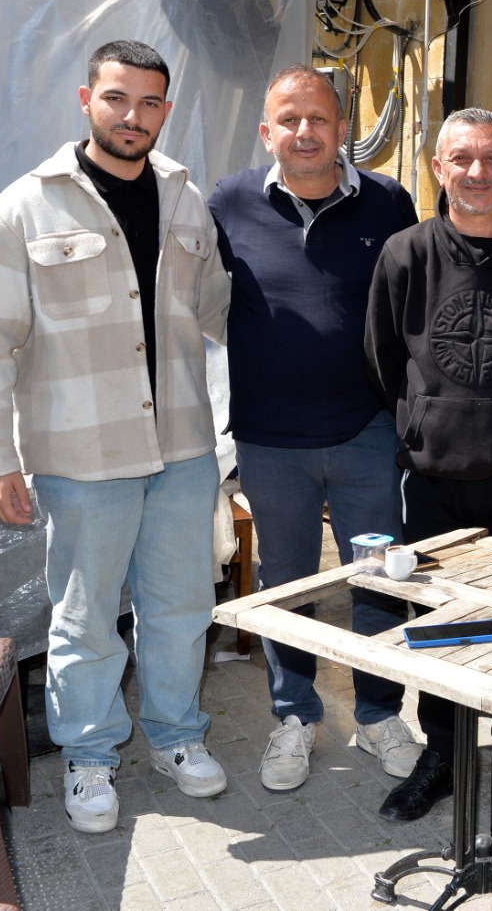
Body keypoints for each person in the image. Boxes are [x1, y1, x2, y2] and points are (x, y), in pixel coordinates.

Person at [0, 39, 232, 833]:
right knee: (84, 618)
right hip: (83, 455)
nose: (132, 116)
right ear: (87, 100)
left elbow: (222, 309)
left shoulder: (185, 198)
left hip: (182, 448)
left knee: (182, 607)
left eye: (149, 103)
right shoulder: (24, 208)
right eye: (117, 98)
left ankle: (178, 737)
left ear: (166, 111)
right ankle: (89, 755)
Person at [205, 65, 421, 793]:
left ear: (342, 129)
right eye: (289, 120)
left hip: (367, 433)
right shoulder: (229, 202)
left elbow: (412, 305)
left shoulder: (388, 201)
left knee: (377, 580)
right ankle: (295, 716)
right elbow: (195, 298)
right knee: (286, 582)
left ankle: (380, 715)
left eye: (319, 118)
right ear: (266, 131)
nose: (305, 132)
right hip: (270, 441)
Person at [364, 108, 492, 832]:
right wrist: (423, 420)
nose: (477, 172)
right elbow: (383, 357)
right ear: (438, 169)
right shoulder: (404, 253)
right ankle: (442, 754)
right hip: (435, 479)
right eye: (462, 159)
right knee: (439, 624)